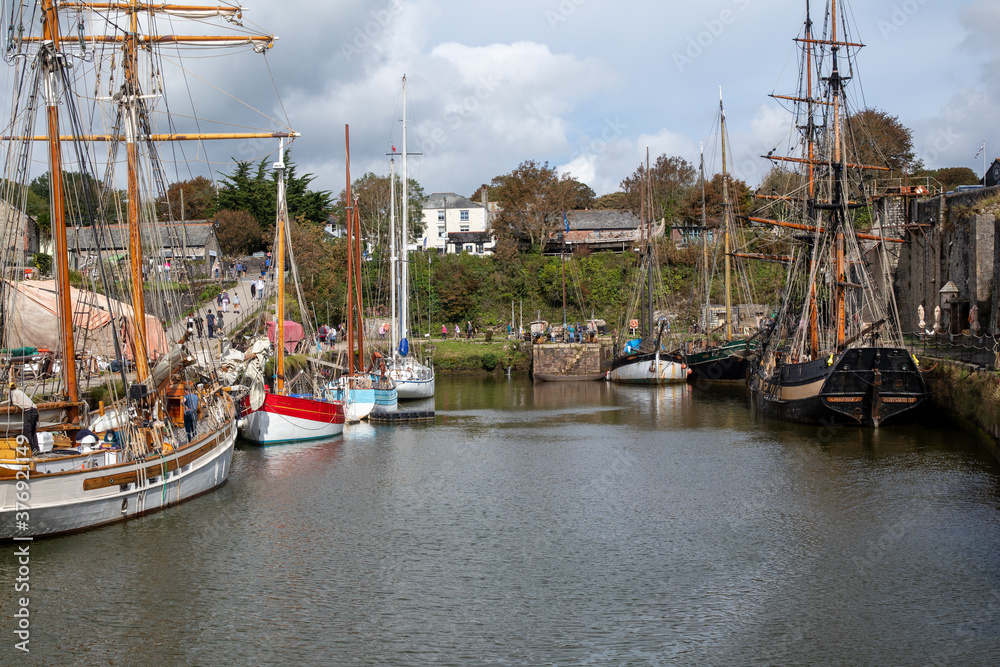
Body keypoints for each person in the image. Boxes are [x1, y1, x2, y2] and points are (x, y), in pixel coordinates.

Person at [9, 382, 38, 453]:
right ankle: (36, 448)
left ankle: (32, 448)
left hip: (29, 411)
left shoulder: (12, 393)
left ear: (10, 389)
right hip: (35, 410)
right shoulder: (19, 392)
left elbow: (15, 403)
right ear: (15, 387)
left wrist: (21, 408)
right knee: (33, 431)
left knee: (27, 431)